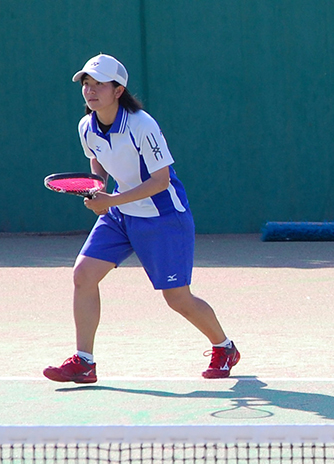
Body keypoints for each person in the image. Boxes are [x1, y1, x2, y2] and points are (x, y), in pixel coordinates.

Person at [43, 54, 240, 384]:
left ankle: (224, 346)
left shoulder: (141, 125)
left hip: (163, 216)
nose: (90, 91)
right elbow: (98, 163)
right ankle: (84, 362)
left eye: (98, 84)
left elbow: (161, 180)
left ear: (118, 90)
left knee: (177, 298)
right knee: (83, 275)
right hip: (121, 213)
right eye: (86, 84)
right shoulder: (86, 127)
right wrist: (99, 189)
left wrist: (112, 200)